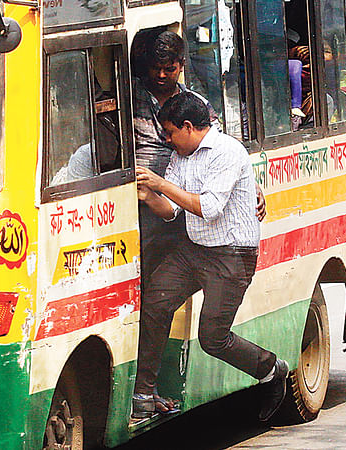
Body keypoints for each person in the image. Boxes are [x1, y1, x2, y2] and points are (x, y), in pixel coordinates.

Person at [131, 30, 266, 414]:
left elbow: (216, 183)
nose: (161, 75)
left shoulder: (200, 114)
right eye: (155, 69)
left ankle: (272, 372)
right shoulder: (131, 96)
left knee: (213, 336)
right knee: (155, 303)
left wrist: (248, 186)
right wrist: (151, 194)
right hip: (166, 216)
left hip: (218, 243)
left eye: (168, 68)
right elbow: (173, 207)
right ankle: (143, 395)